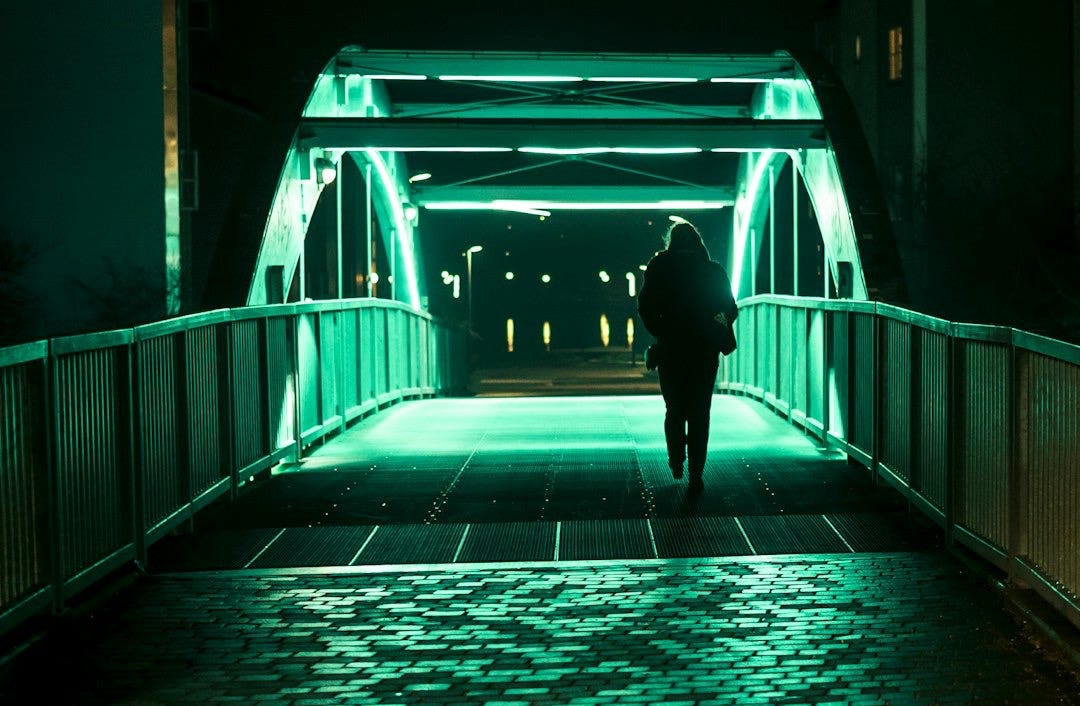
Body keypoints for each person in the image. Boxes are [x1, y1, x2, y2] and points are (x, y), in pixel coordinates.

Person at [637, 220, 738, 493]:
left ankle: (676, 459)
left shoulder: (659, 266)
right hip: (704, 350)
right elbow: (730, 308)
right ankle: (696, 470)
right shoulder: (712, 270)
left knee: (675, 408)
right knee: (699, 411)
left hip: (670, 349)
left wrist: (660, 330)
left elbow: (645, 305)